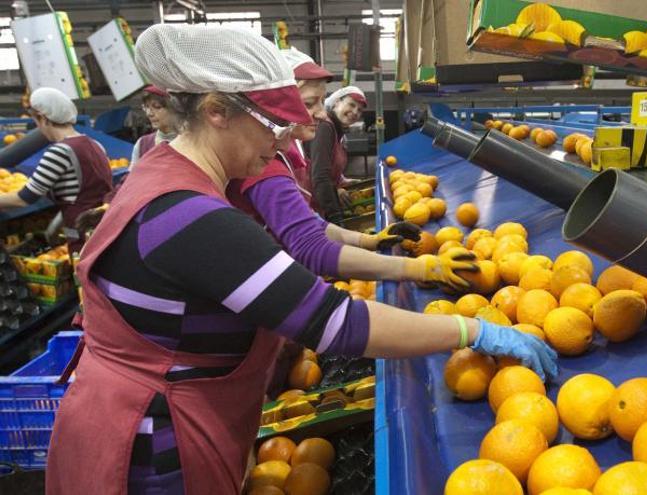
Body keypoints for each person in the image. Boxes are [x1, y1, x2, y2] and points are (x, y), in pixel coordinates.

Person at [45, 24, 557, 495]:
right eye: (273, 125)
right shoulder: (190, 216)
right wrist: (472, 332)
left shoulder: (165, 171)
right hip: (149, 446)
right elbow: (334, 322)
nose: (284, 142)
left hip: (140, 410)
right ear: (216, 111)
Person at [227, 49, 471, 290]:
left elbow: (309, 222)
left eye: (322, 101)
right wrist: (415, 269)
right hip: (269, 288)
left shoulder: (288, 152)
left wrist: (367, 240)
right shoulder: (265, 165)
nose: (322, 113)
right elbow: (310, 246)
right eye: (310, 103)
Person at [0, 87, 112, 254]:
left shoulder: (59, 151)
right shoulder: (95, 145)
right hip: (105, 230)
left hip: (82, 236)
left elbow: (24, 198)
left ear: (44, 119)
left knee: (84, 278)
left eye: (37, 123)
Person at [304, 85, 367, 223]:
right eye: (351, 104)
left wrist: (343, 182)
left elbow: (330, 166)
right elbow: (320, 176)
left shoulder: (337, 131)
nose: (355, 112)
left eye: (359, 110)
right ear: (337, 102)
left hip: (321, 205)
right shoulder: (325, 127)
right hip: (314, 208)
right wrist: (336, 217)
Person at [130, 85, 178, 167]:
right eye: (146, 107)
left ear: (174, 109)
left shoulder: (192, 142)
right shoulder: (142, 144)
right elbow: (132, 177)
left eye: (157, 107)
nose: (149, 113)